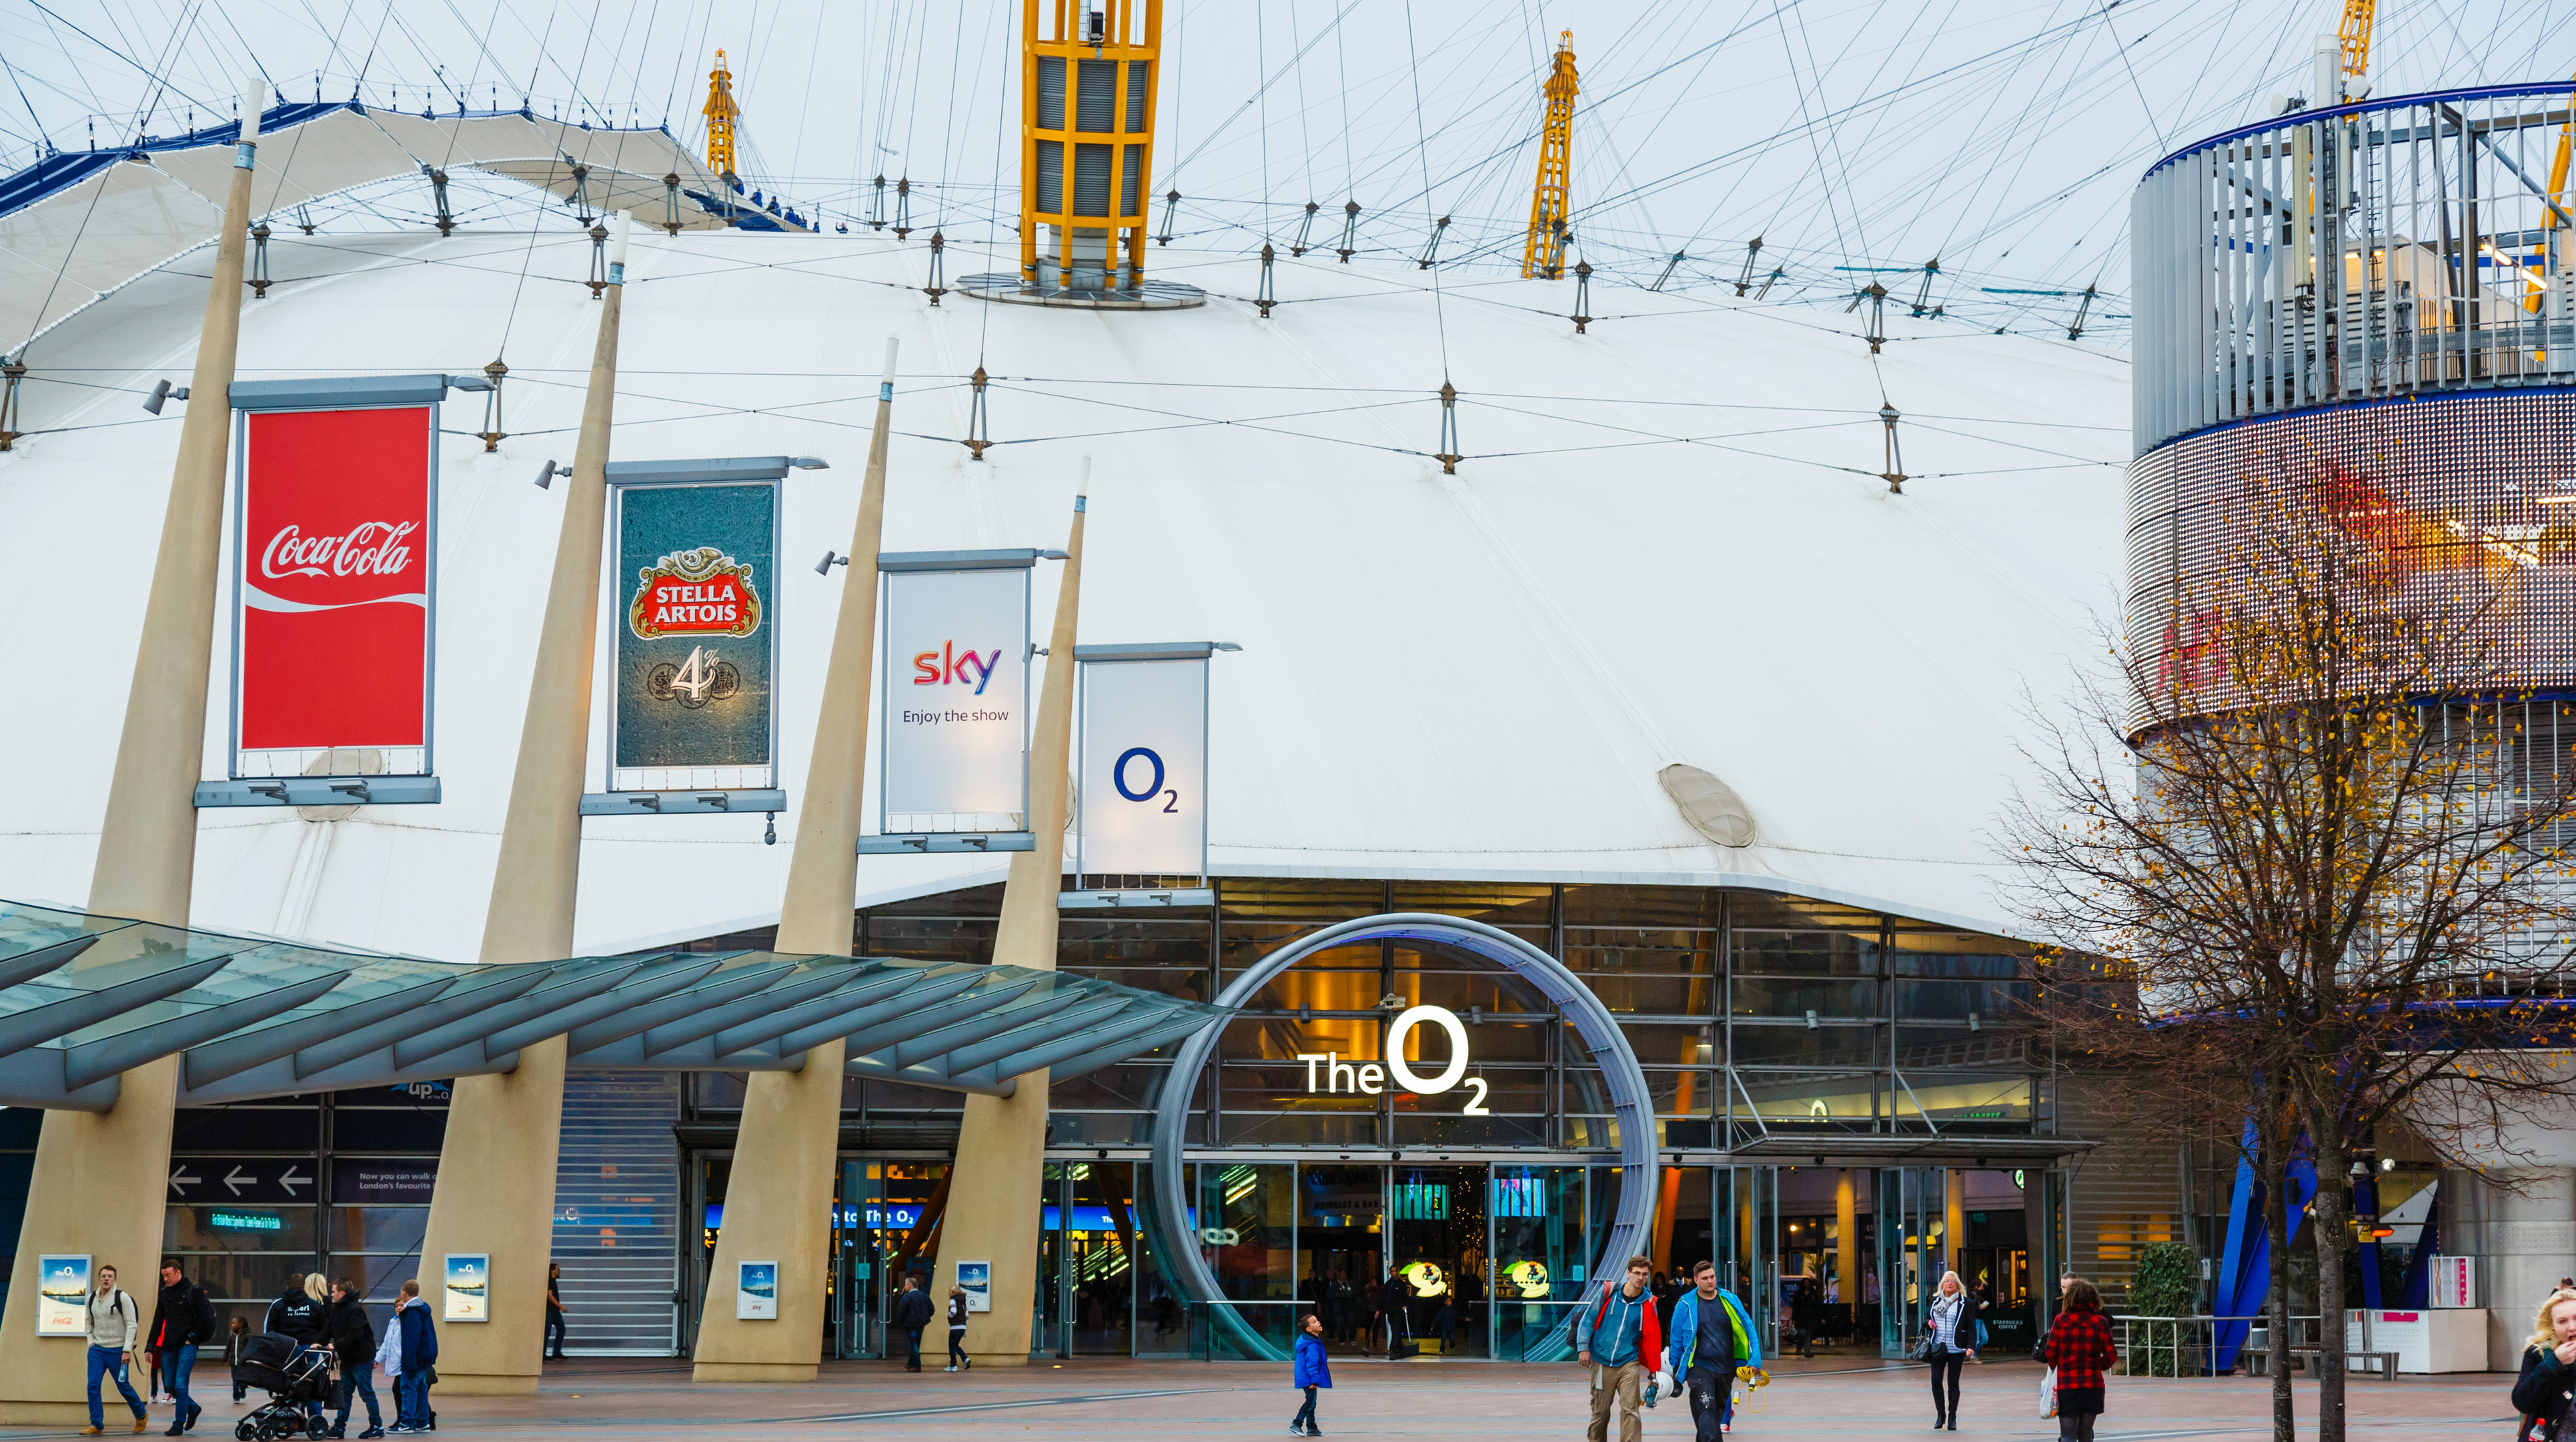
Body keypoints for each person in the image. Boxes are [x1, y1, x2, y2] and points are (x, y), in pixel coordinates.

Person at [1575, 1256, 1667, 1442]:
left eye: (1645, 1275)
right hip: (1601, 1361)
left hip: (1628, 1363)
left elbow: (1652, 1339)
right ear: (1628, 1273)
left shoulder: (1649, 1303)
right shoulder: (1609, 1292)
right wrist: (1583, 1347)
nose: (1641, 1278)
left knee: (1630, 1410)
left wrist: (1654, 1372)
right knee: (1600, 1413)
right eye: (1637, 1273)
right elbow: (1588, 1319)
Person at [1668, 1260, 1760, 1441]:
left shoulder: (1730, 1299)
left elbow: (1749, 1329)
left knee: (1712, 1419)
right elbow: (1676, 1340)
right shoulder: (1685, 1304)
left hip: (1726, 1370)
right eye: (1705, 1278)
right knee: (1706, 1411)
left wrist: (1755, 1360)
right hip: (1699, 1369)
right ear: (1695, 1280)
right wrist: (1674, 1372)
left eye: (1712, 1277)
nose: (1710, 1281)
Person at [2038, 1277, 2115, 1442]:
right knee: (2086, 1435)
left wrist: (2058, 1365)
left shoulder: (2061, 1321)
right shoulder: (2101, 1322)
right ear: (2093, 1299)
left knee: (2068, 1435)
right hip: (2093, 1385)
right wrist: (2098, 1365)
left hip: (2067, 1385)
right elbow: (2111, 1355)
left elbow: (2050, 1351)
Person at [149, 1259, 216, 1436]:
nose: (165, 1279)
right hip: (168, 1346)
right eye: (163, 1276)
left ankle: (178, 1423)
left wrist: (192, 1337)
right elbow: (157, 1321)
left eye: (168, 1275)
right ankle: (193, 1408)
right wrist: (150, 1346)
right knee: (169, 1386)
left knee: (180, 1386)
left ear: (178, 1273)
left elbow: (206, 1318)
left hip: (187, 1345)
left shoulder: (193, 1291)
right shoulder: (164, 1294)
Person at [81, 1263, 148, 1436]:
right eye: (103, 1276)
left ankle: (141, 1415)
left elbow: (132, 1324)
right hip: (97, 1350)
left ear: (115, 1280)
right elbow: (88, 1323)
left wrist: (127, 1350)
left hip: (118, 1350)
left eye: (110, 1276)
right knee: (93, 1385)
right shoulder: (90, 1299)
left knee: (123, 1386)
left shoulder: (122, 1298)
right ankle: (96, 1424)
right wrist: (91, 1342)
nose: (106, 1279)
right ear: (99, 1278)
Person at [2514, 1287, 2576, 1442]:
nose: (2572, 1327)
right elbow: (2523, 1401)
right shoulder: (2540, 1352)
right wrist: (2554, 1362)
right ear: (2552, 1325)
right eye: (2562, 1321)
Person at [325, 1280, 384, 1439]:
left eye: (334, 1291)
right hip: (348, 1359)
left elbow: (355, 1334)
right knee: (345, 1394)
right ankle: (339, 1426)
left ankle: (377, 1425)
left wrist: (335, 1345)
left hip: (361, 1359)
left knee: (366, 1393)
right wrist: (318, 1341)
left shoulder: (355, 1310)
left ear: (342, 1294)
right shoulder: (337, 1309)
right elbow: (329, 1329)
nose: (331, 1294)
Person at [1924, 1270, 1976, 1430]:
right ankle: (1941, 1415)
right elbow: (1926, 1319)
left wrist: (1971, 1346)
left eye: (1953, 1281)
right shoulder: (1935, 1301)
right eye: (1947, 1281)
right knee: (1935, 1380)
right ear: (1942, 1284)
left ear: (1958, 1285)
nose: (1950, 1284)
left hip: (1956, 1349)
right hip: (1938, 1347)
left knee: (1953, 1383)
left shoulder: (1966, 1303)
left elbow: (1971, 1327)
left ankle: (1952, 1415)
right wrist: (1929, 1324)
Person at [389, 1280, 437, 1435]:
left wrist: (409, 1362)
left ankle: (406, 1423)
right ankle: (423, 1422)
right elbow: (430, 1334)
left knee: (408, 1389)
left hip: (414, 1360)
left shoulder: (412, 1312)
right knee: (422, 1390)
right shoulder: (423, 1309)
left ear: (404, 1293)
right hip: (425, 1358)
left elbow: (411, 1339)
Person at [1291, 1310, 1333, 1437]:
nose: (1318, 1322)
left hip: (1305, 1377)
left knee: (1311, 1402)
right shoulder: (1312, 1345)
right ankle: (1297, 1424)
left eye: (1317, 1320)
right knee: (1311, 1402)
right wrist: (1315, 1380)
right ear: (1309, 1329)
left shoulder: (1311, 1341)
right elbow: (1312, 1364)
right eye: (1314, 1322)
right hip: (1308, 1378)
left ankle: (1312, 1427)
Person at [892, 1275, 933, 1372]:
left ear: (909, 1286)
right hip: (921, 1324)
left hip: (910, 1324)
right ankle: (911, 1363)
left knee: (913, 1344)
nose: (905, 1287)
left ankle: (917, 1365)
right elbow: (932, 1309)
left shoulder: (907, 1297)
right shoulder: (924, 1296)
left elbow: (901, 1311)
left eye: (906, 1285)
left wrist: (902, 1321)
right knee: (916, 1344)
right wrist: (926, 1318)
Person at [944, 1283, 971, 1372]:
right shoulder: (963, 1302)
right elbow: (967, 1315)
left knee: (951, 1346)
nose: (948, 1294)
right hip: (962, 1326)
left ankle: (953, 1365)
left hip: (955, 1326)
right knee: (955, 1345)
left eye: (950, 1292)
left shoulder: (953, 1300)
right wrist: (965, 1325)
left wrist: (948, 1315)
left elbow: (953, 1312)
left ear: (953, 1292)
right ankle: (965, 1359)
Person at [544, 1263, 566, 1361]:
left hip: (555, 1311)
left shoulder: (553, 1281)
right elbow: (549, 1296)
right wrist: (560, 1306)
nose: (560, 1271)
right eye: (558, 1269)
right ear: (552, 1271)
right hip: (549, 1311)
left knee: (562, 1329)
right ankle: (543, 1354)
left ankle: (556, 1352)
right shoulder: (549, 1281)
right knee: (546, 1332)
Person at [225, 1317, 251, 1403]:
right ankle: (236, 1397)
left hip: (243, 1362)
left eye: (234, 1323)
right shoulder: (232, 1337)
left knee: (243, 1379)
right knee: (235, 1379)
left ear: (240, 1324)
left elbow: (250, 1348)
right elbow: (228, 1348)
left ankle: (243, 1388)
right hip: (234, 1362)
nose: (232, 1325)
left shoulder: (247, 1336)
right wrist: (225, 1357)